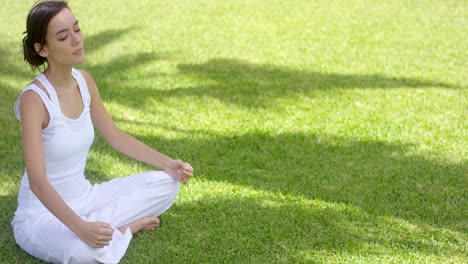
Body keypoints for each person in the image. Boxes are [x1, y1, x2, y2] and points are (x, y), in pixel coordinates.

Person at [12, 1, 194, 263]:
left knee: (166, 184)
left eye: (77, 30)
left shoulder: (84, 81)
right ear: (42, 49)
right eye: (63, 37)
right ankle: (122, 229)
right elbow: (38, 182)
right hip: (41, 215)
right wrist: (80, 228)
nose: (76, 40)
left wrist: (169, 163)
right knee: (81, 252)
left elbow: (115, 136)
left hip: (87, 198)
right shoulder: (34, 100)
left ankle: (100, 229)